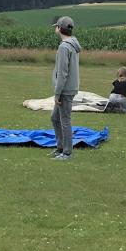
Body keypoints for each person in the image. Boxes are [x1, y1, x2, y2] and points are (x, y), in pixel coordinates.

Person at [50, 16, 80, 161]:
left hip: (65, 90)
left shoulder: (64, 47)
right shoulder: (72, 44)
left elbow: (62, 73)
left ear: (60, 28)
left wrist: (57, 93)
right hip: (69, 88)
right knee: (54, 117)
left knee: (65, 120)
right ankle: (60, 147)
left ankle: (67, 153)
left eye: (56, 26)